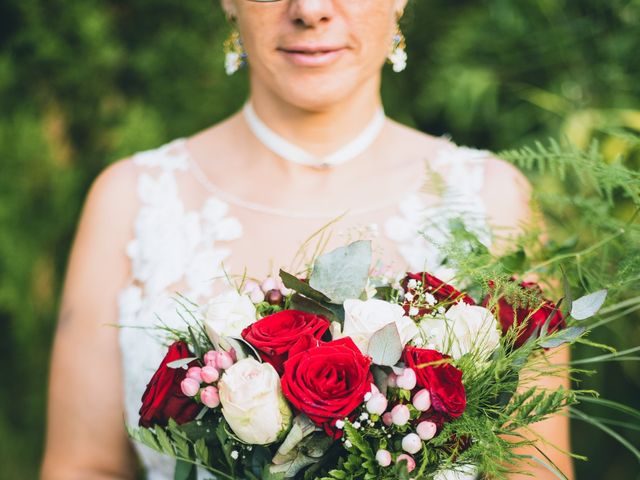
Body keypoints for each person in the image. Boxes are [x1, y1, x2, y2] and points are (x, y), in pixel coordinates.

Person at [41, 1, 572, 479]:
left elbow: (535, 467)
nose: (310, 9)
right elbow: (83, 466)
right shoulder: (130, 200)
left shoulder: (494, 200)